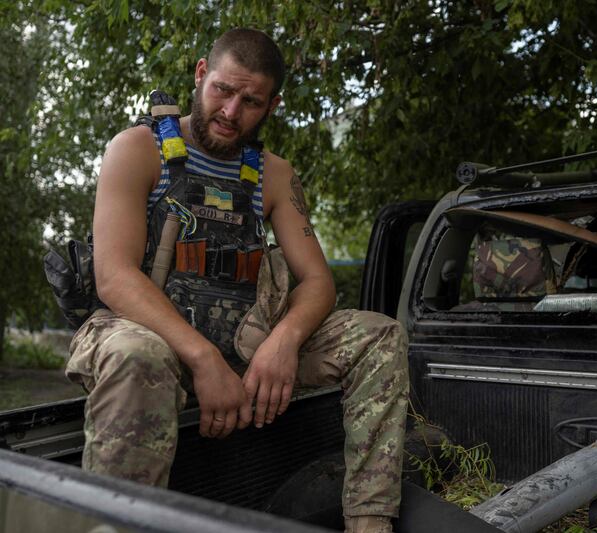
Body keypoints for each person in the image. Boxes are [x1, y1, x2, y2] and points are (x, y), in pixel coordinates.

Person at [66, 28, 408, 533]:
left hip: (245, 345)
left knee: (380, 336)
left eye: (250, 101)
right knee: (136, 355)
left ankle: (369, 524)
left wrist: (284, 341)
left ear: (271, 105)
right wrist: (202, 358)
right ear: (201, 73)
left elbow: (318, 282)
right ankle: (119, 525)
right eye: (222, 90)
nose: (230, 112)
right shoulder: (138, 150)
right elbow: (114, 277)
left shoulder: (273, 175)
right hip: (149, 337)